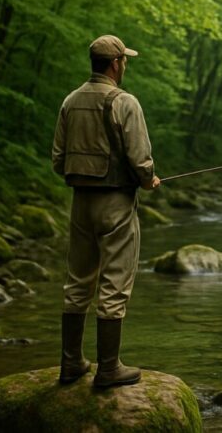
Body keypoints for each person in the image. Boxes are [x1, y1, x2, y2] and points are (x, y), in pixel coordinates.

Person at [52, 34, 160, 388]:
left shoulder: (70, 100)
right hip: (116, 204)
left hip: (80, 202)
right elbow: (140, 159)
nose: (124, 63)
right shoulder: (125, 102)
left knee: (77, 280)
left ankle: (70, 364)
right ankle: (108, 368)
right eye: (124, 59)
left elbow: (58, 160)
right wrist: (148, 181)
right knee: (114, 284)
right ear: (116, 63)